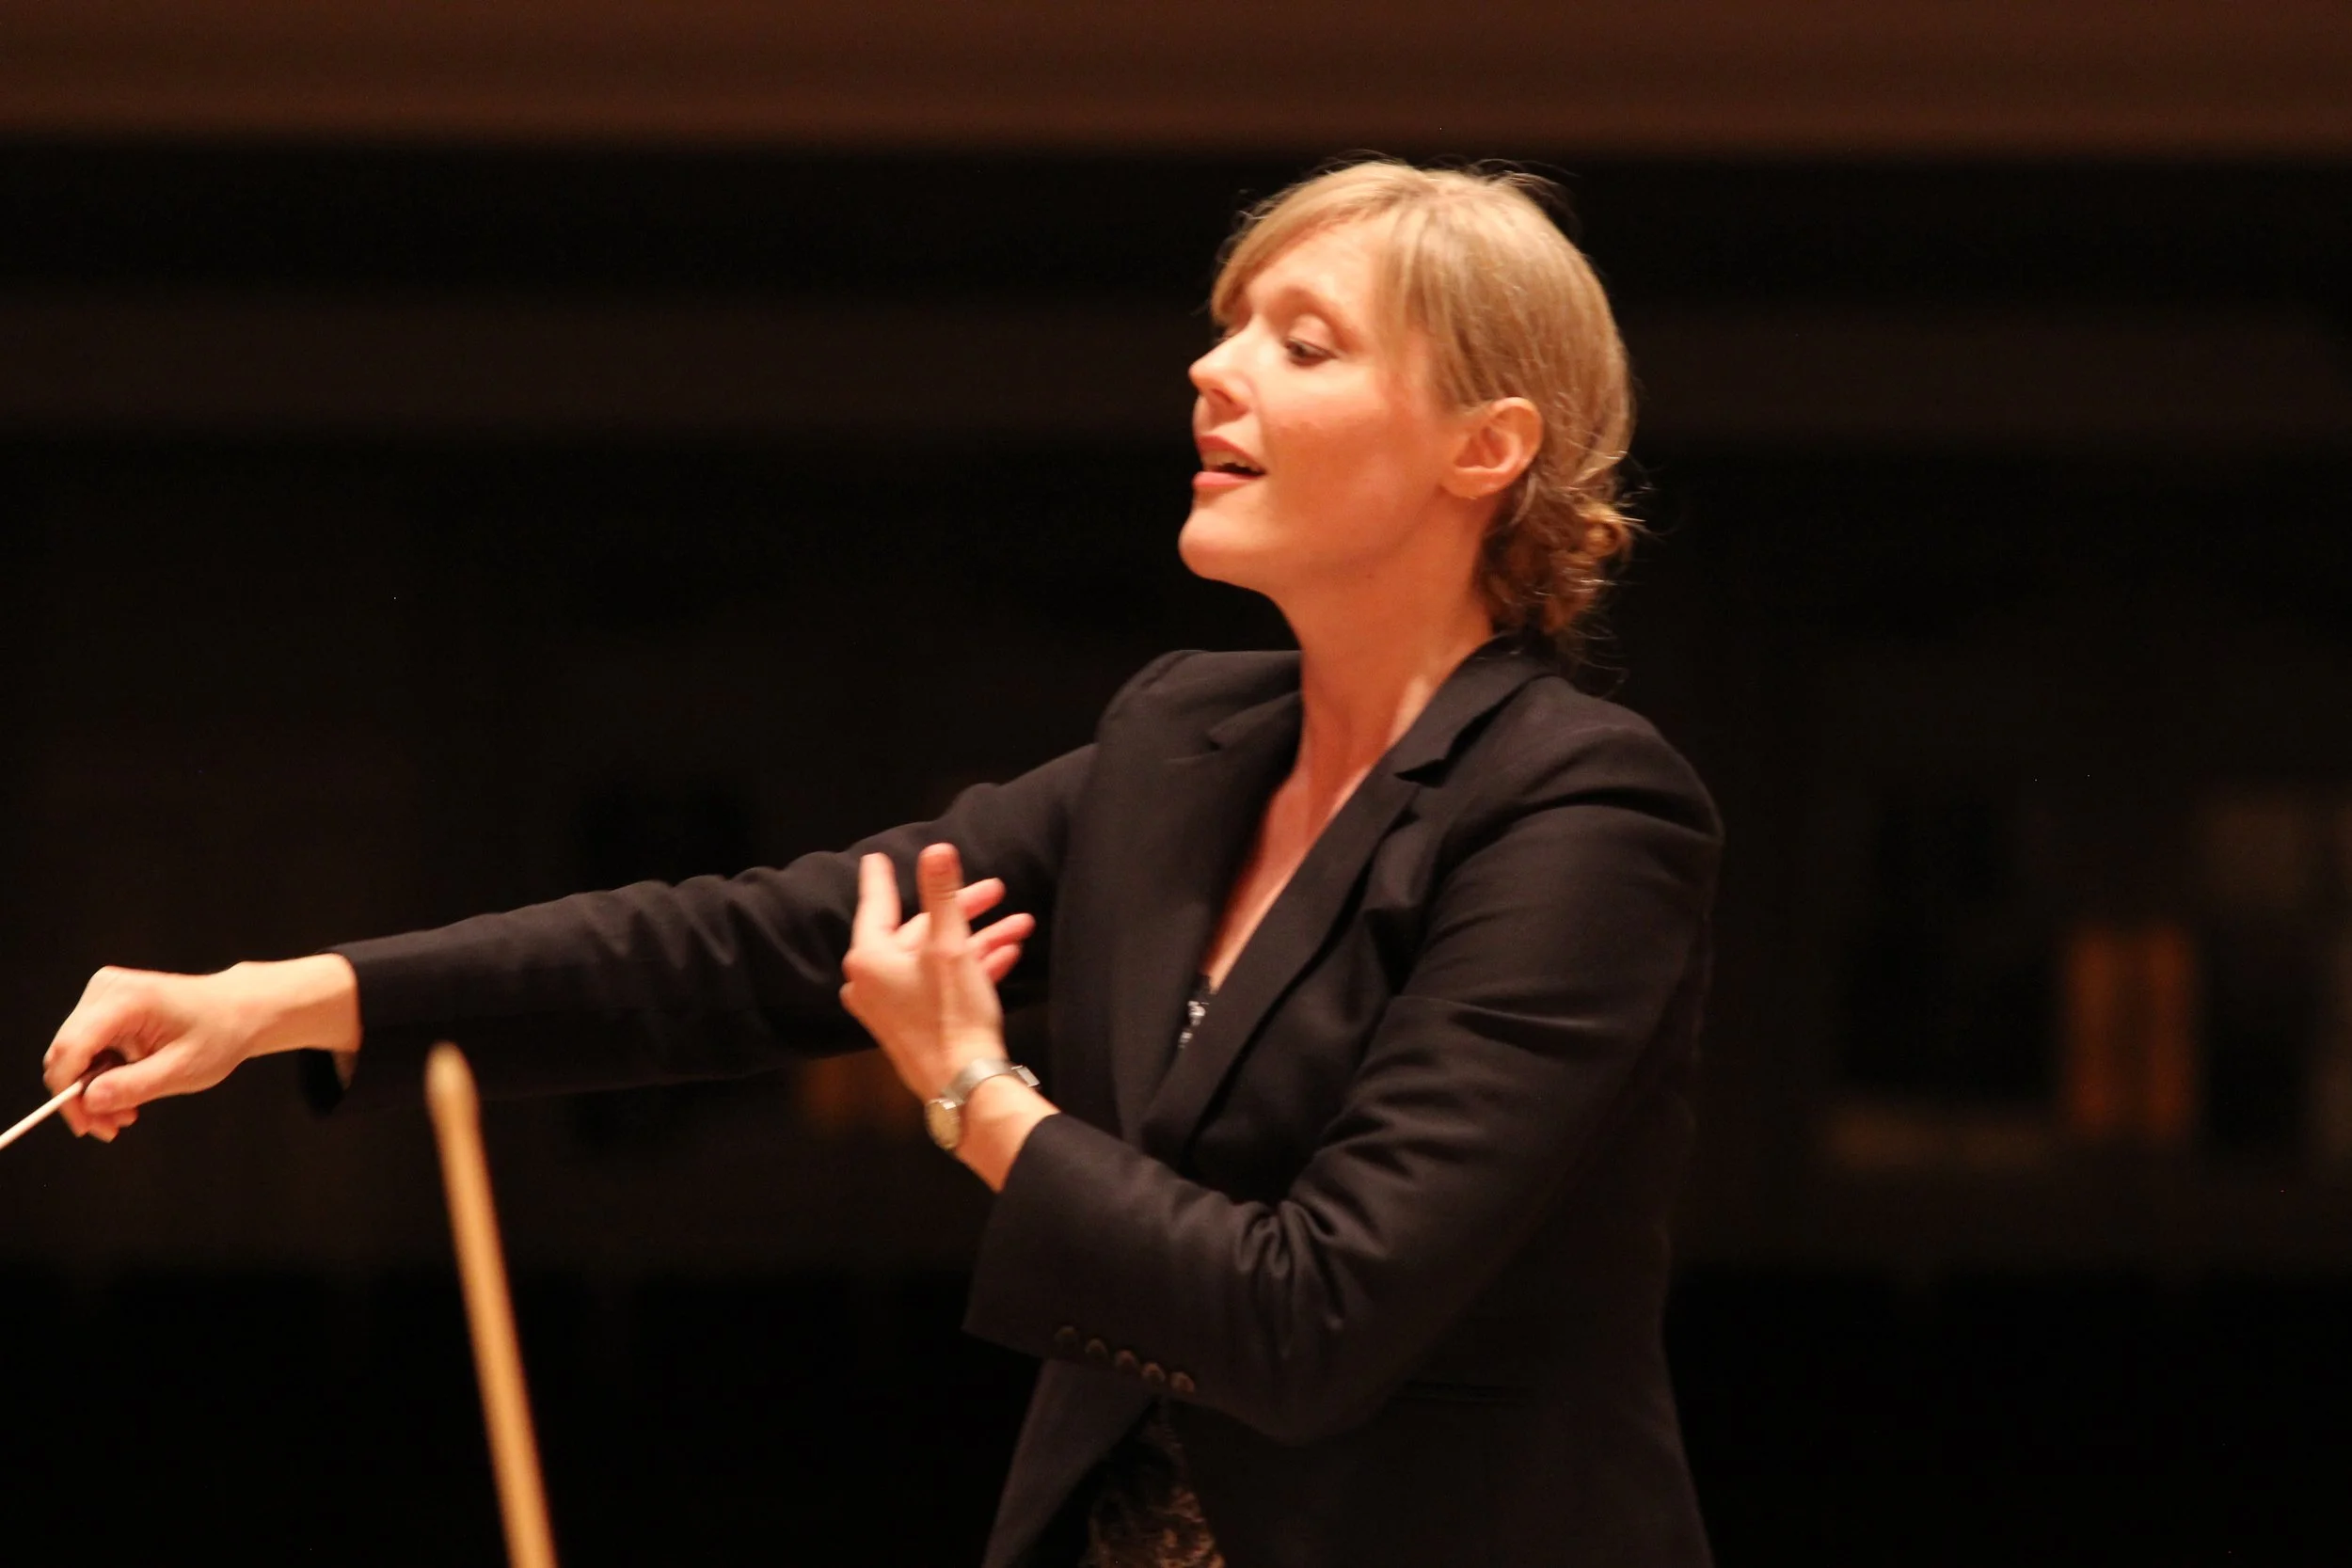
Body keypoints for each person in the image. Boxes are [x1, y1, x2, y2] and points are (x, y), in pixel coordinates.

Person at [43, 159, 1722, 1568]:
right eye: (1224, 334)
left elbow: (1311, 1317)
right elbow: (745, 945)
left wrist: (976, 1101)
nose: (1214, 374)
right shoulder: (1182, 746)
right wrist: (287, 1000)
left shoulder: (1577, 811)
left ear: (1483, 449)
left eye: (1302, 342)